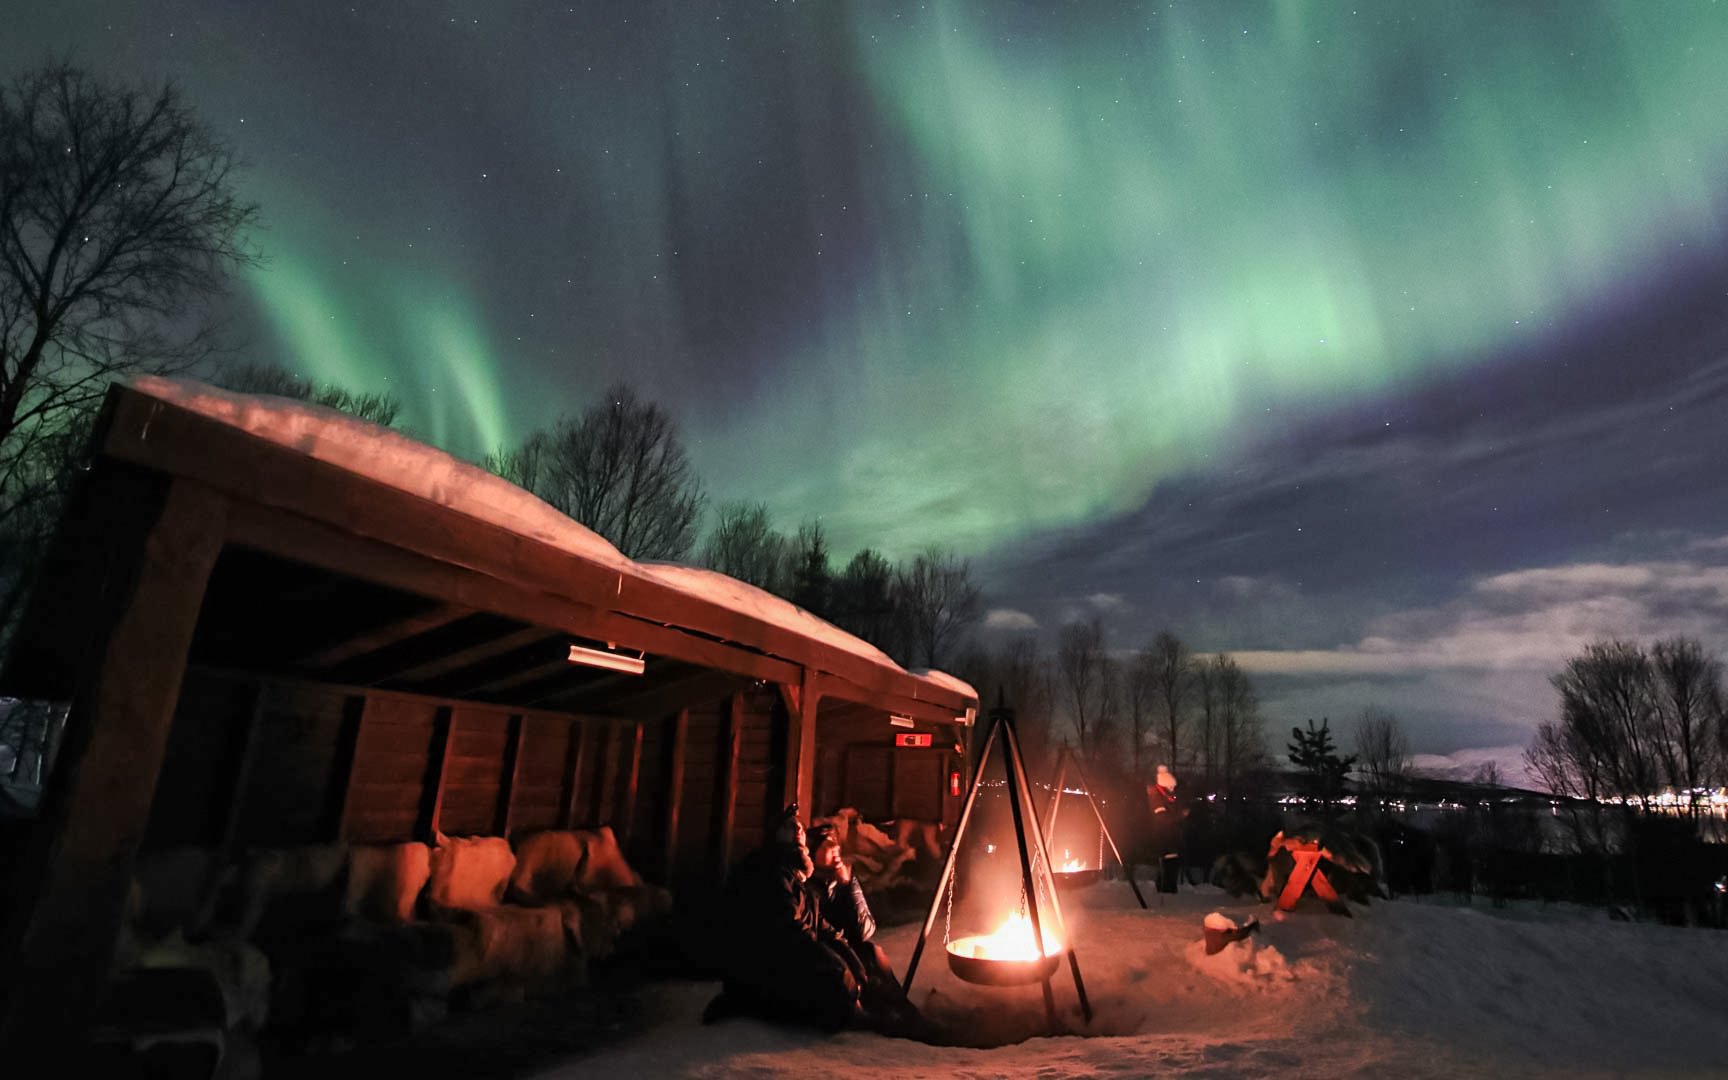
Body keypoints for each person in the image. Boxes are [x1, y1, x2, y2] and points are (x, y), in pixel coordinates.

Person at [703, 806, 866, 1032]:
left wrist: (854, 964)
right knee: (835, 983)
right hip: (762, 970)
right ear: (775, 835)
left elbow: (824, 928)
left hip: (786, 961)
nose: (798, 828)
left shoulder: (798, 878)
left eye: (800, 825)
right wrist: (841, 971)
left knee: (864, 961)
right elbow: (788, 930)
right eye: (790, 825)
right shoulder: (768, 871)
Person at [805, 822, 895, 986]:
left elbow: (865, 931)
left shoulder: (844, 880)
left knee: (873, 952)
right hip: (824, 953)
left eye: (835, 844)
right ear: (812, 853)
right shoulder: (806, 886)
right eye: (826, 845)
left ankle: (901, 1005)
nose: (835, 848)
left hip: (847, 947)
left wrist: (848, 885)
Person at [1146, 764, 1185, 894]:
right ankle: (1165, 890)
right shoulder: (1157, 798)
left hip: (1170, 836)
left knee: (1171, 863)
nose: (1172, 789)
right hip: (1164, 837)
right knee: (1167, 864)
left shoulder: (1165, 797)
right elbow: (1162, 818)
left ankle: (1169, 889)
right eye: (1170, 787)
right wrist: (1181, 815)